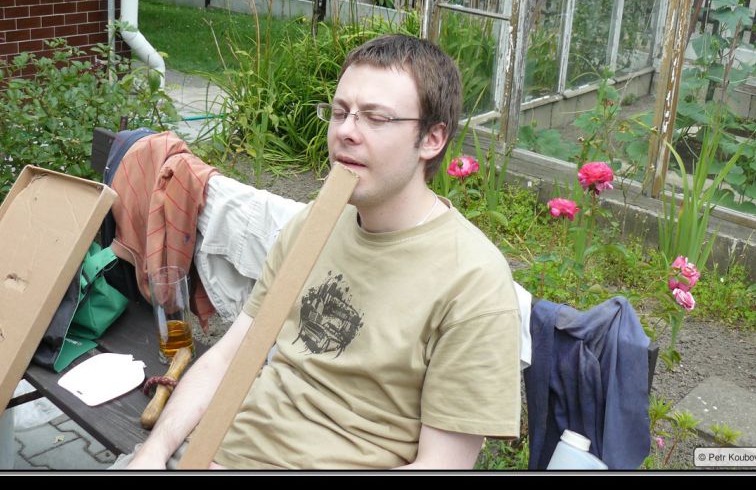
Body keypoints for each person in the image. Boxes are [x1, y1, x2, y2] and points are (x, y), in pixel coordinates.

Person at [121, 34, 521, 470]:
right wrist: (155, 452)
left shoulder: (474, 281)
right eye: (340, 112)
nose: (346, 131)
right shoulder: (316, 223)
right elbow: (228, 357)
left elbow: (441, 465)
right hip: (208, 453)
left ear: (432, 138)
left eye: (376, 118)